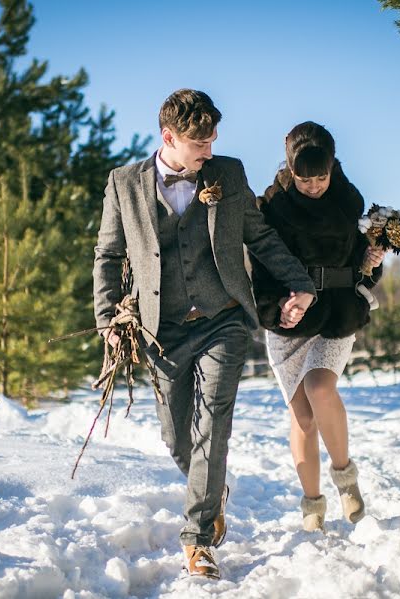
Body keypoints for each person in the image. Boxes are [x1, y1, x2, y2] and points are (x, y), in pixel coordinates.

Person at [92, 89, 316, 579]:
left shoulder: (228, 175)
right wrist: (109, 318)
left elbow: (257, 236)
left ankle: (196, 541)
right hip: (160, 329)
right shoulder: (124, 183)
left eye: (214, 140)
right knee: (178, 437)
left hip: (223, 319)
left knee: (213, 422)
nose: (209, 152)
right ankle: (210, 494)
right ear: (168, 137)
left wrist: (300, 282)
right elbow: (107, 255)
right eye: (199, 144)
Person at [251, 121, 385, 532]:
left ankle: (346, 480)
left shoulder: (348, 200)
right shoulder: (272, 205)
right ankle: (312, 505)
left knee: (320, 387)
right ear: (291, 170)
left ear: (332, 165)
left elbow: (359, 263)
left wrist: (372, 261)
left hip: (336, 313)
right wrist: (278, 308)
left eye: (321, 177)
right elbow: (260, 266)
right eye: (303, 179)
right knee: (303, 418)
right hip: (288, 322)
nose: (313, 186)